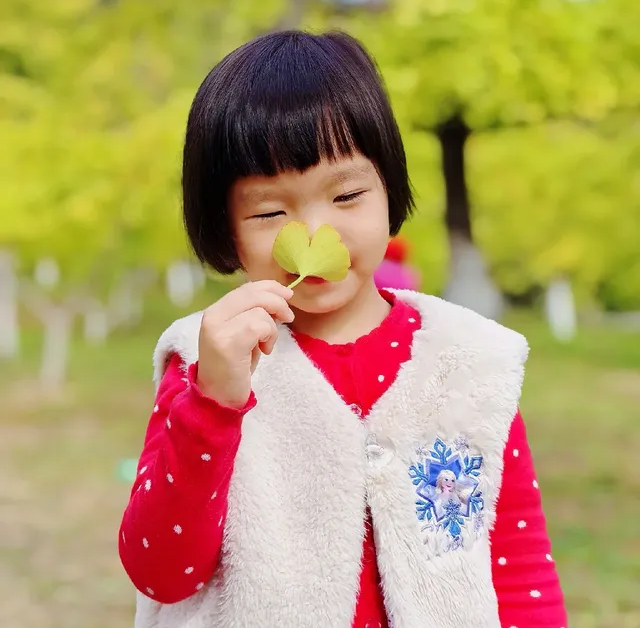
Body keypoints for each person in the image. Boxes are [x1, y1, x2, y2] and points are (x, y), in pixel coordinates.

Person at [119, 31, 567, 628]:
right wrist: (212, 405)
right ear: (224, 228)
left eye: (347, 194)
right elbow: (162, 571)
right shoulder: (205, 363)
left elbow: (517, 564)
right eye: (270, 212)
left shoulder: (468, 361)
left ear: (390, 190)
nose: (314, 235)